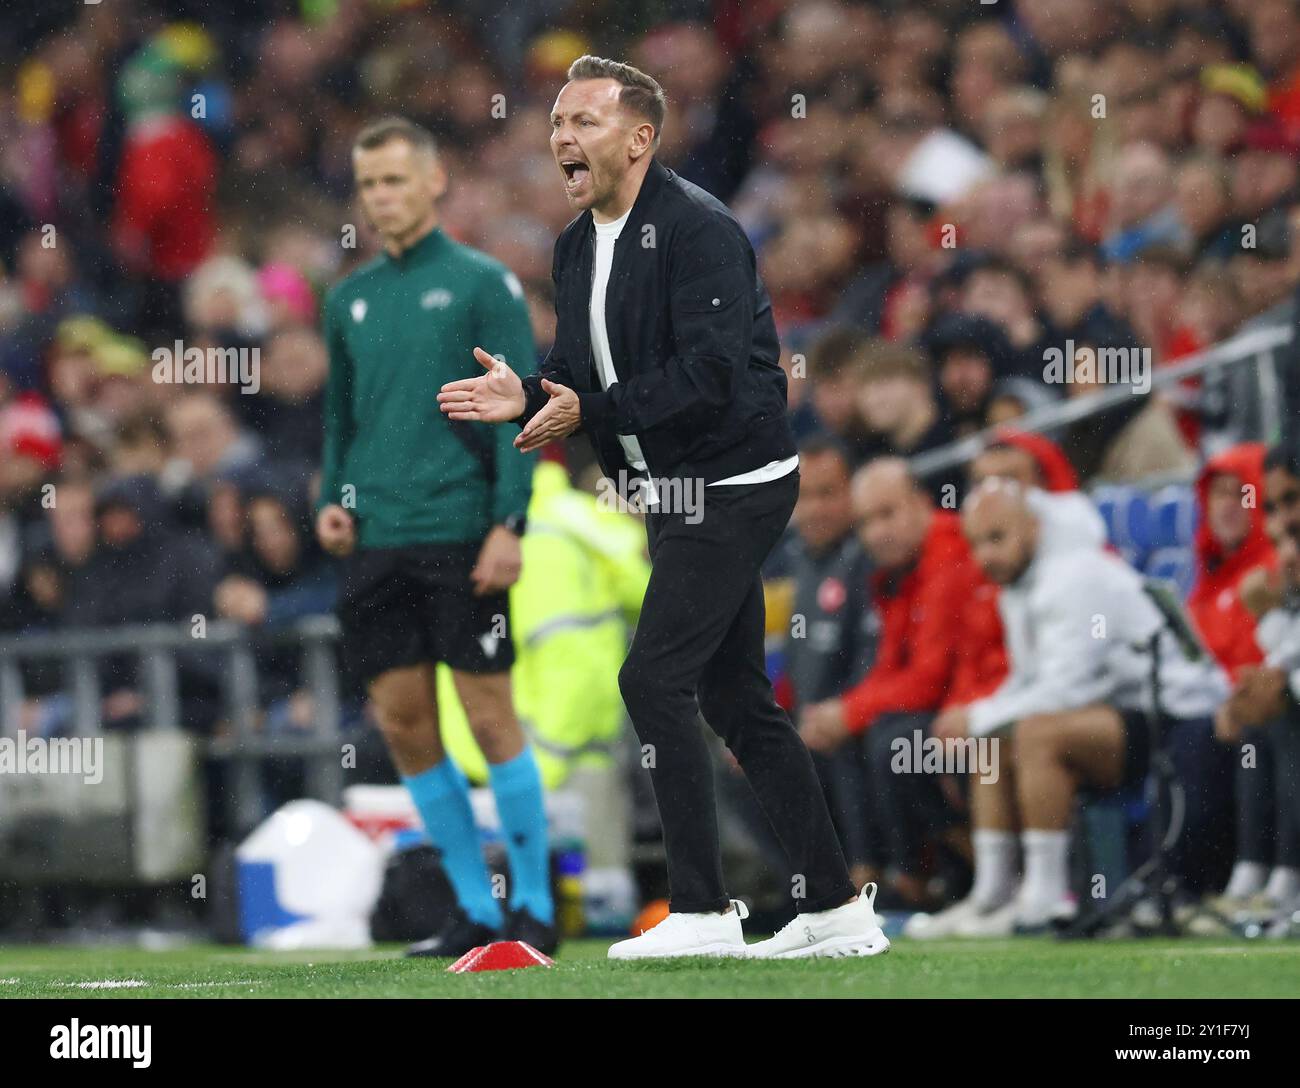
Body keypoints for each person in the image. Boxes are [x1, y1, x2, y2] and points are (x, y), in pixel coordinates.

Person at [438, 56, 887, 960]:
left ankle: (703, 912)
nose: (564, 137)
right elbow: (582, 373)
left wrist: (586, 411)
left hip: (736, 484)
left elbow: (712, 375)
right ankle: (837, 911)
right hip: (668, 493)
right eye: (559, 122)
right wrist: (527, 395)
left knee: (651, 679)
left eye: (586, 122)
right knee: (736, 699)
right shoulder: (575, 245)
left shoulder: (699, 230)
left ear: (641, 138)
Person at [317, 116, 554, 957]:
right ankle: (472, 909)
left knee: (490, 716)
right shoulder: (347, 298)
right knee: (407, 722)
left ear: (434, 180)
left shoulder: (486, 283)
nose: (382, 196)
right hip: (376, 538)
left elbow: (520, 410)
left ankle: (532, 905)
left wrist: (509, 521)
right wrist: (331, 499)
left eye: (395, 179)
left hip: (461, 532)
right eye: (369, 182)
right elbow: (342, 421)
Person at [931, 480, 1227, 933]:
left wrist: (975, 717)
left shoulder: (1075, 575)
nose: (985, 555)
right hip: (1121, 712)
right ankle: (993, 893)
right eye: (976, 543)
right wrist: (980, 719)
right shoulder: (1021, 583)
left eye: (997, 537)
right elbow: (1032, 680)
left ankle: (1045, 895)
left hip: (1178, 715)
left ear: (1032, 526)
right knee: (994, 739)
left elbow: (1068, 688)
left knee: (1032, 733)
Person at [800, 458, 982, 909]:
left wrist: (851, 711)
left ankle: (937, 878)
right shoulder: (899, 569)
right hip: (949, 707)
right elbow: (891, 668)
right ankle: (868, 883)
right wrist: (842, 712)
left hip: (978, 705)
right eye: (865, 521)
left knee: (893, 743)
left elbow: (929, 677)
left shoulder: (948, 551)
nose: (877, 532)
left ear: (921, 504)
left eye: (888, 513)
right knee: (848, 740)